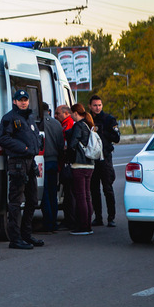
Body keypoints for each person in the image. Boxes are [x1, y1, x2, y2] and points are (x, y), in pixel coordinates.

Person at [0, 90, 44, 249]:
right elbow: (3, 138)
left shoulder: (29, 117)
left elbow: (34, 135)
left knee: (32, 200)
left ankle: (26, 235)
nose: (23, 102)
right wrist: (23, 148)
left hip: (30, 161)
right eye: (20, 100)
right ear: (14, 102)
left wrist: (36, 146)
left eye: (25, 100)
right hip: (17, 162)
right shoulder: (9, 118)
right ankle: (15, 239)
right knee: (16, 202)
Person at [88, 95, 120, 227]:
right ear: (90, 106)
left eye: (99, 105)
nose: (97, 108)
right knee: (94, 189)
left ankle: (111, 217)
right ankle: (98, 217)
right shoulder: (88, 119)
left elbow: (116, 138)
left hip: (105, 157)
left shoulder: (109, 119)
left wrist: (102, 133)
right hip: (92, 158)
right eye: (95, 105)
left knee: (107, 188)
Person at [68, 103, 95, 235]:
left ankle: (83, 226)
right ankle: (88, 225)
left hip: (79, 164)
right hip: (90, 164)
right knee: (87, 196)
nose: (71, 116)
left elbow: (73, 144)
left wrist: (69, 156)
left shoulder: (78, 125)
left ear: (75, 113)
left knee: (80, 196)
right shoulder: (88, 125)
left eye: (71, 113)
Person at [40, 102, 64, 232]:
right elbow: (61, 144)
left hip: (42, 161)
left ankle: (47, 224)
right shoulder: (56, 124)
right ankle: (54, 222)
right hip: (54, 161)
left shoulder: (37, 123)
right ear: (48, 111)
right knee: (53, 193)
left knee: (44, 193)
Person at [54, 104, 76, 230]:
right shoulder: (64, 124)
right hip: (65, 163)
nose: (55, 116)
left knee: (69, 194)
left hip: (67, 163)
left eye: (58, 113)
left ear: (66, 113)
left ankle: (70, 220)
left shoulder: (68, 124)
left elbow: (66, 144)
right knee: (68, 193)